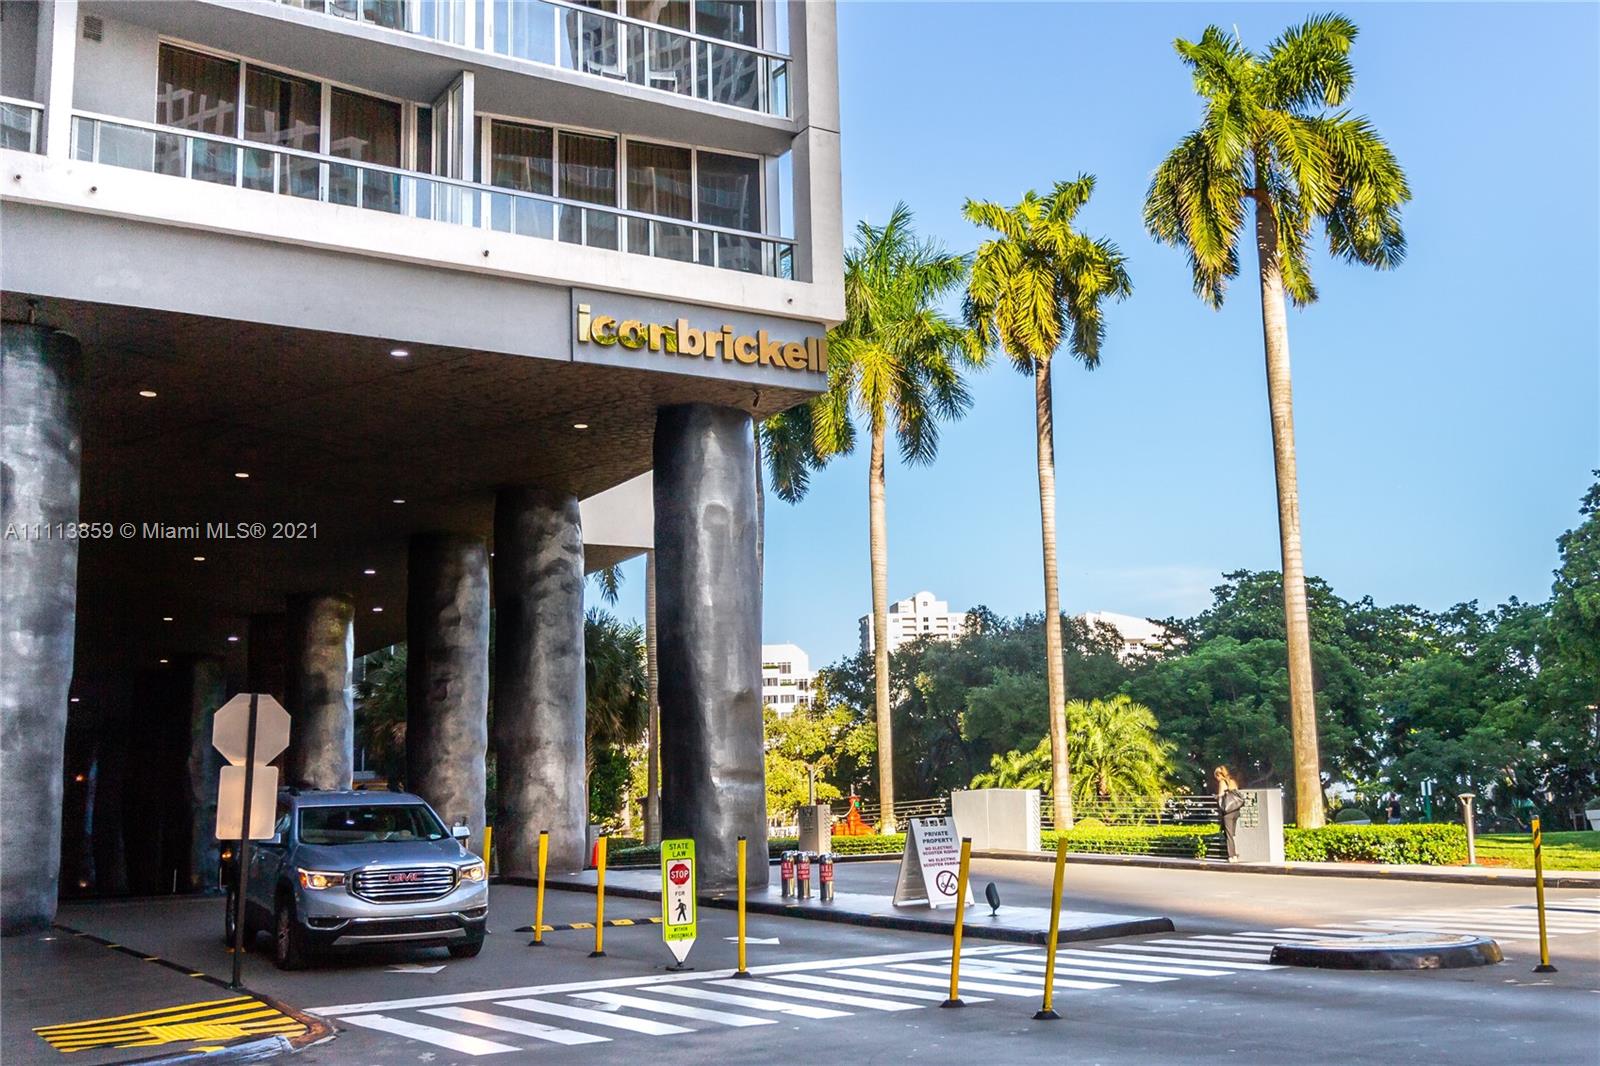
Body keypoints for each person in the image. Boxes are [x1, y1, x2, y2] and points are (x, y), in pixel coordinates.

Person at [1214, 767, 1245, 861]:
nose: (1216, 779)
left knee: (1228, 835)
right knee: (1233, 834)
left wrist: (1216, 797)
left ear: (1219, 775)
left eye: (1216, 777)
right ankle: (1235, 854)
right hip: (1236, 811)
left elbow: (1221, 796)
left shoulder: (1222, 782)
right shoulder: (1232, 781)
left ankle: (1231, 856)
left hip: (1228, 812)